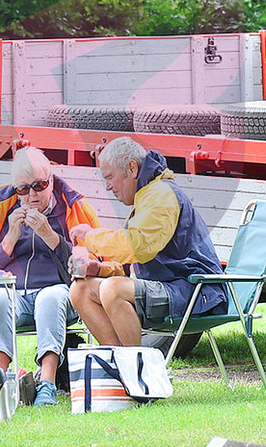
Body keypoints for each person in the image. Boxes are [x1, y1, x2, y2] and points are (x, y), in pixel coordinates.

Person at [0, 146, 108, 407]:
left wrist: (51, 236)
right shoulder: (1, 210)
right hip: (16, 293)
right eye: (23, 189)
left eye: (39, 186)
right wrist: (10, 239)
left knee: (50, 298)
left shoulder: (71, 207)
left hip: (63, 293)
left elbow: (86, 264)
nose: (32, 195)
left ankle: (47, 383)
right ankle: (1, 383)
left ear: (51, 180)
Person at [69, 136, 225, 347]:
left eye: (109, 177)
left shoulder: (161, 194)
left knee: (113, 290)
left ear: (132, 168)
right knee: (80, 290)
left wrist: (89, 237)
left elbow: (136, 246)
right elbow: (135, 265)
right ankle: (120, 365)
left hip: (195, 290)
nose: (107, 186)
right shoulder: (147, 195)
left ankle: (135, 370)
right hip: (170, 286)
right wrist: (99, 269)